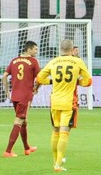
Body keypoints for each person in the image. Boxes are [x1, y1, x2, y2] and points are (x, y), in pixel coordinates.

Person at [35, 39, 92, 173]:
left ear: (60, 49)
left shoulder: (53, 62)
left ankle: (56, 162)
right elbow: (88, 81)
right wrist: (76, 82)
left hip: (55, 102)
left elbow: (39, 78)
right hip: (69, 102)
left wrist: (52, 81)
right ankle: (58, 165)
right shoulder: (77, 62)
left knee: (55, 132)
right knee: (64, 132)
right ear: (72, 50)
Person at [3, 40, 40, 157]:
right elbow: (40, 78)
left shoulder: (14, 60)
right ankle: (8, 151)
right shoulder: (33, 61)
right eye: (35, 49)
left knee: (24, 121)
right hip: (25, 96)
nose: (36, 51)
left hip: (15, 96)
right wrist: (36, 88)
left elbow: (4, 76)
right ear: (29, 49)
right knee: (19, 121)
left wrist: (7, 91)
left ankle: (27, 148)